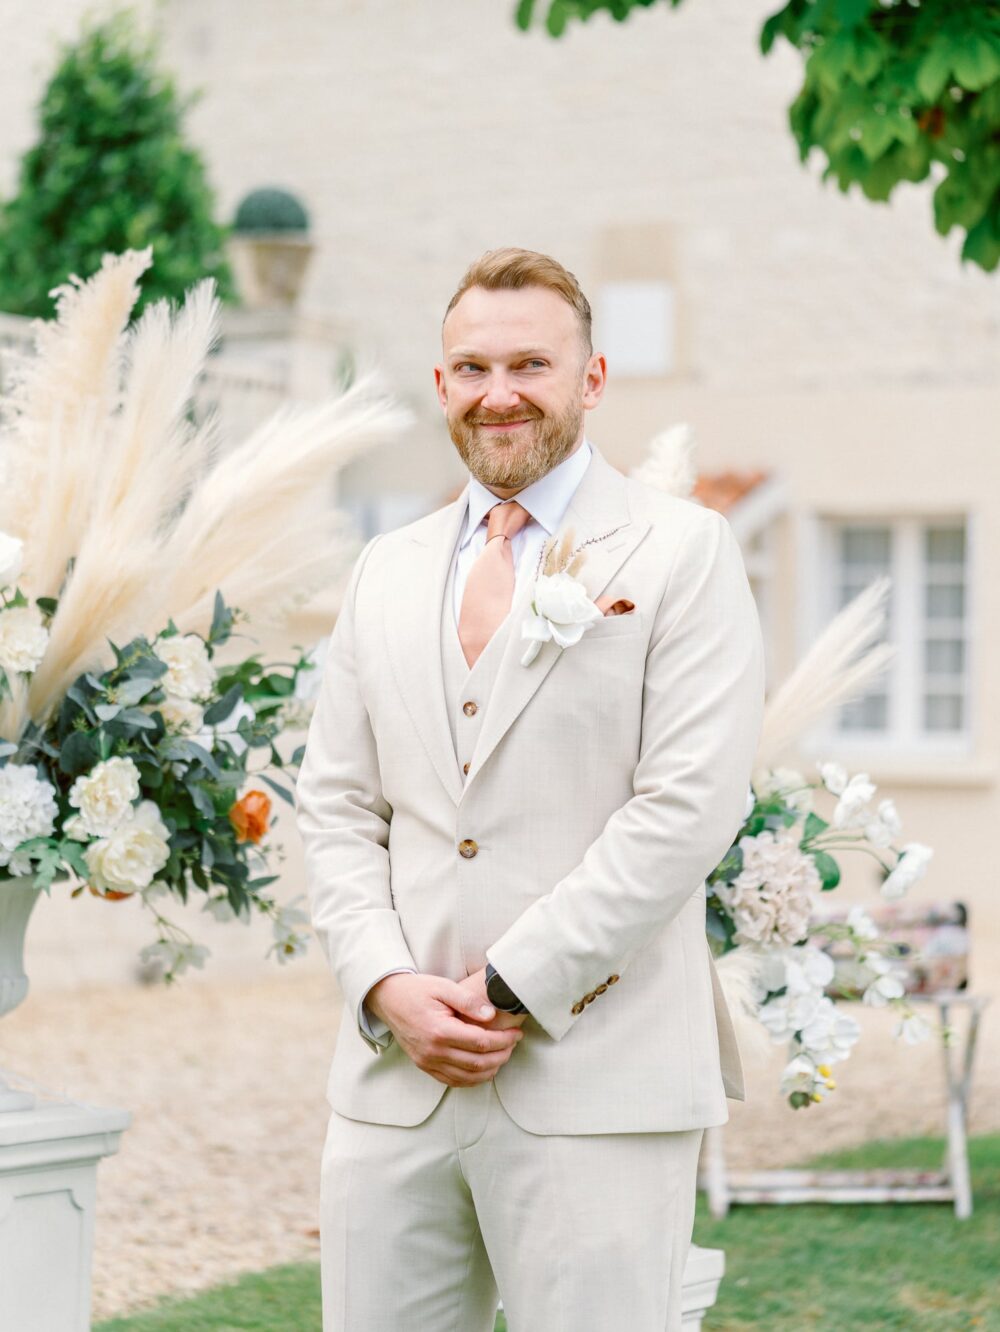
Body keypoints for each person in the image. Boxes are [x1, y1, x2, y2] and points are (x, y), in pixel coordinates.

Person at [295, 246, 765, 1332]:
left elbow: (685, 810)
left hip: (595, 1084)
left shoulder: (682, 551)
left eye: (529, 365)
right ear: (440, 384)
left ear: (590, 379)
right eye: (470, 368)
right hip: (390, 1090)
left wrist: (505, 989)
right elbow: (336, 808)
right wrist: (384, 986)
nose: (497, 393)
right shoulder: (386, 567)